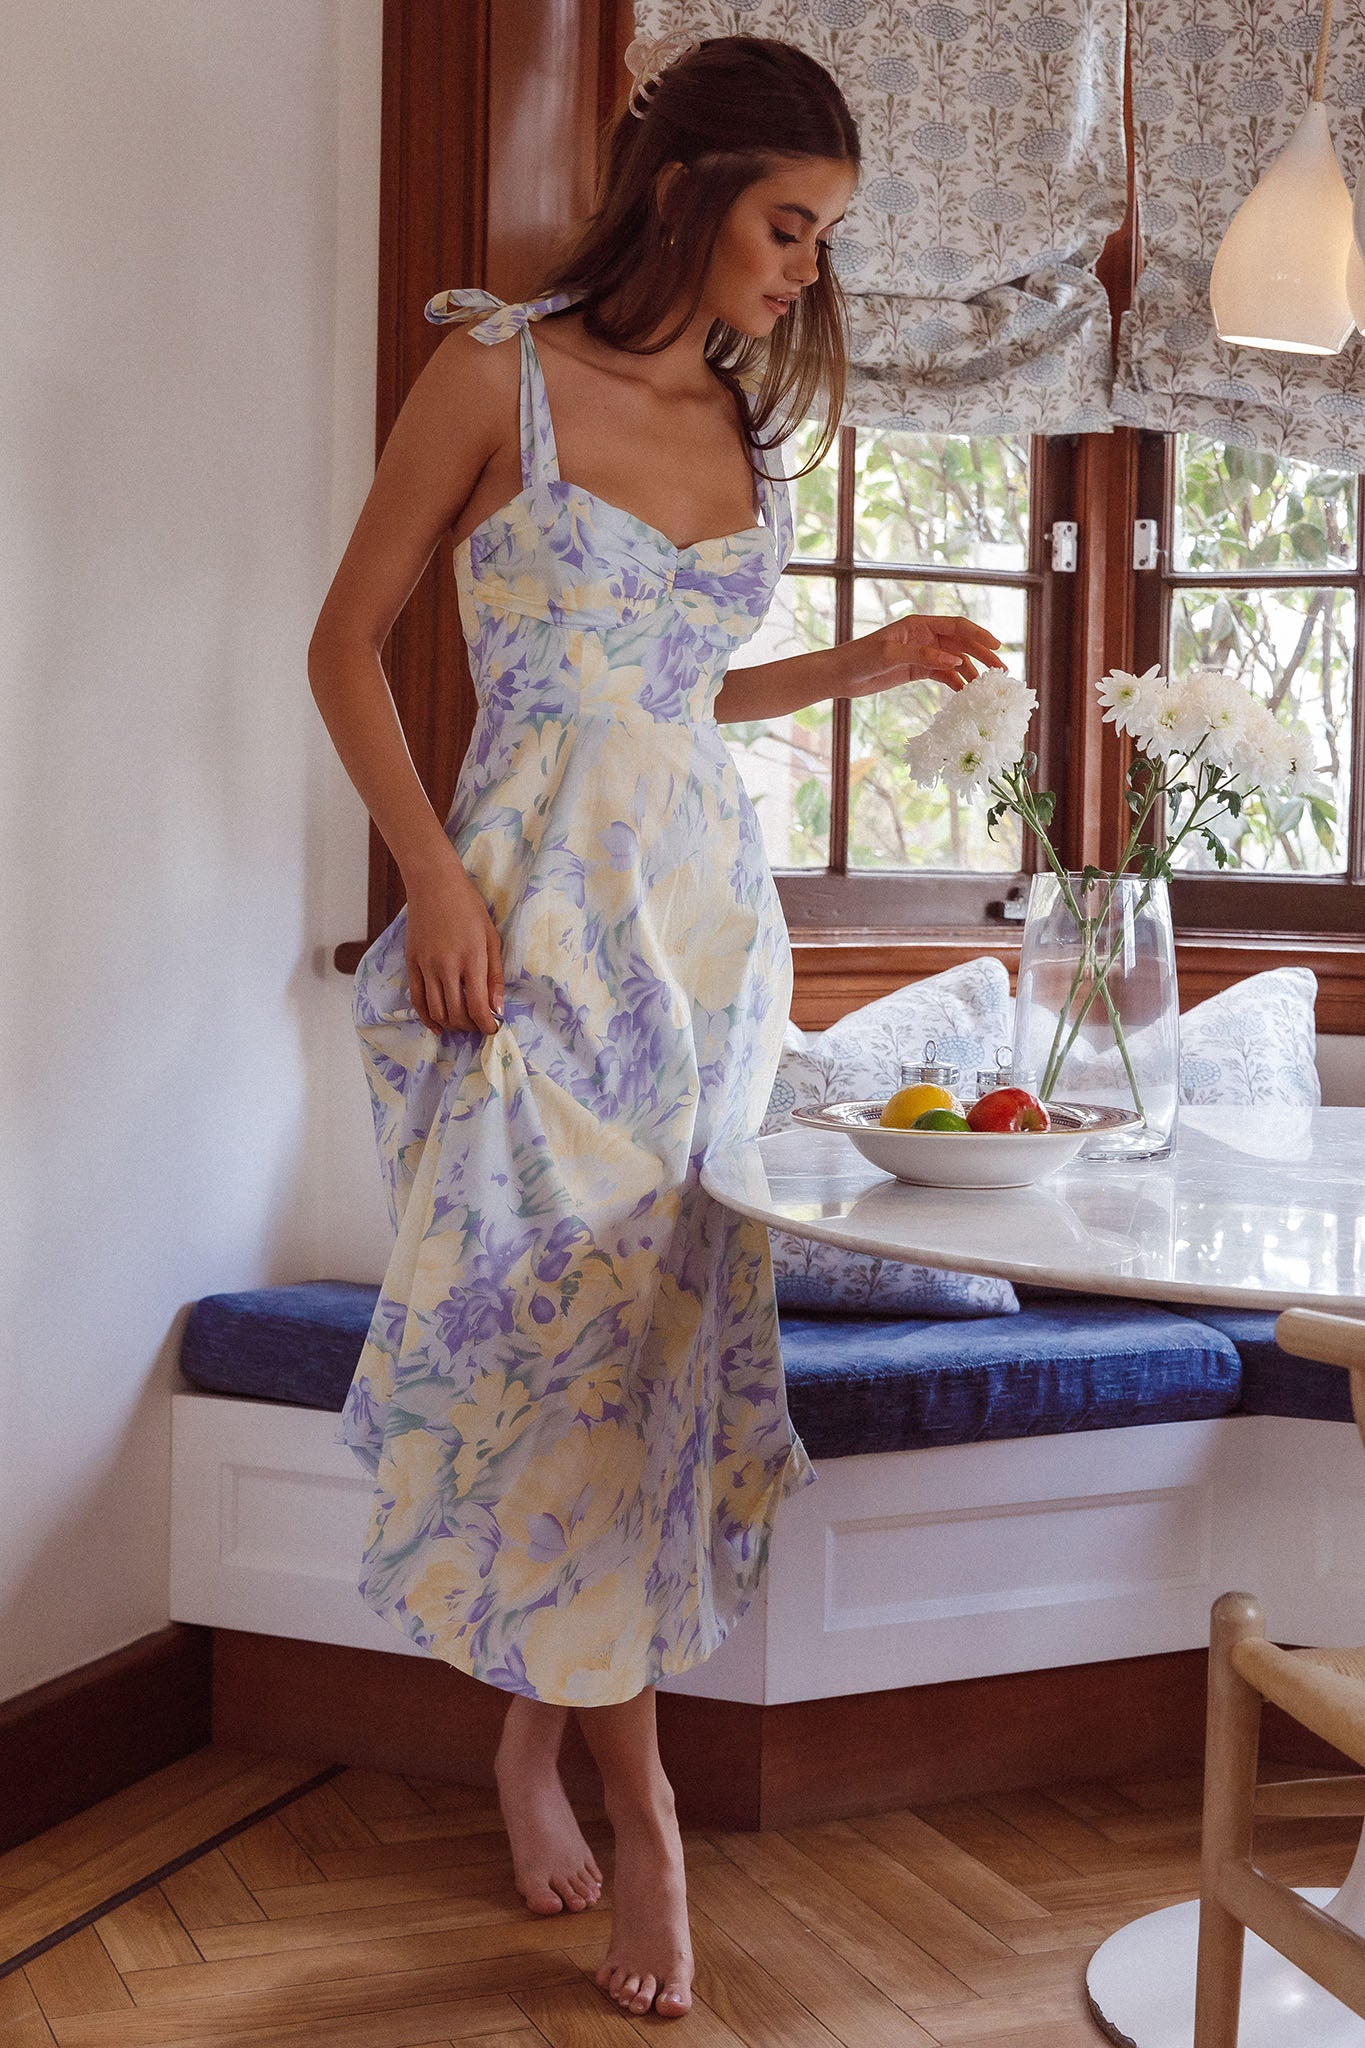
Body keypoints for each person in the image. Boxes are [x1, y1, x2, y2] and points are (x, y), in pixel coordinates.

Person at [307, 29, 1004, 2022]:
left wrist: (860, 662)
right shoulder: (493, 374)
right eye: (788, 225)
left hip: (698, 940)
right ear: (687, 191)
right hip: (525, 929)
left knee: (643, 1356)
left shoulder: (738, 420)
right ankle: (649, 1809)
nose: (803, 269)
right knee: (540, 1338)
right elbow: (343, 644)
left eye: (822, 237)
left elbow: (678, 694)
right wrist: (432, 882)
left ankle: (536, 1739)